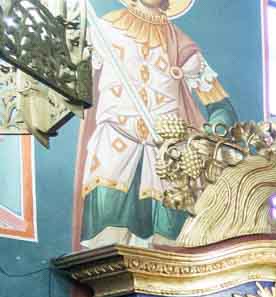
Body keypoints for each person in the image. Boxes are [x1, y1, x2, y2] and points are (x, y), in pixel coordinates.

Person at [72, 0, 238, 249]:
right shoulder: (105, 29)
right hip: (113, 145)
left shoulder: (181, 45)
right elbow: (75, 78)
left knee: (168, 246)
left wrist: (206, 140)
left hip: (165, 156)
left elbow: (220, 107)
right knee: (107, 241)